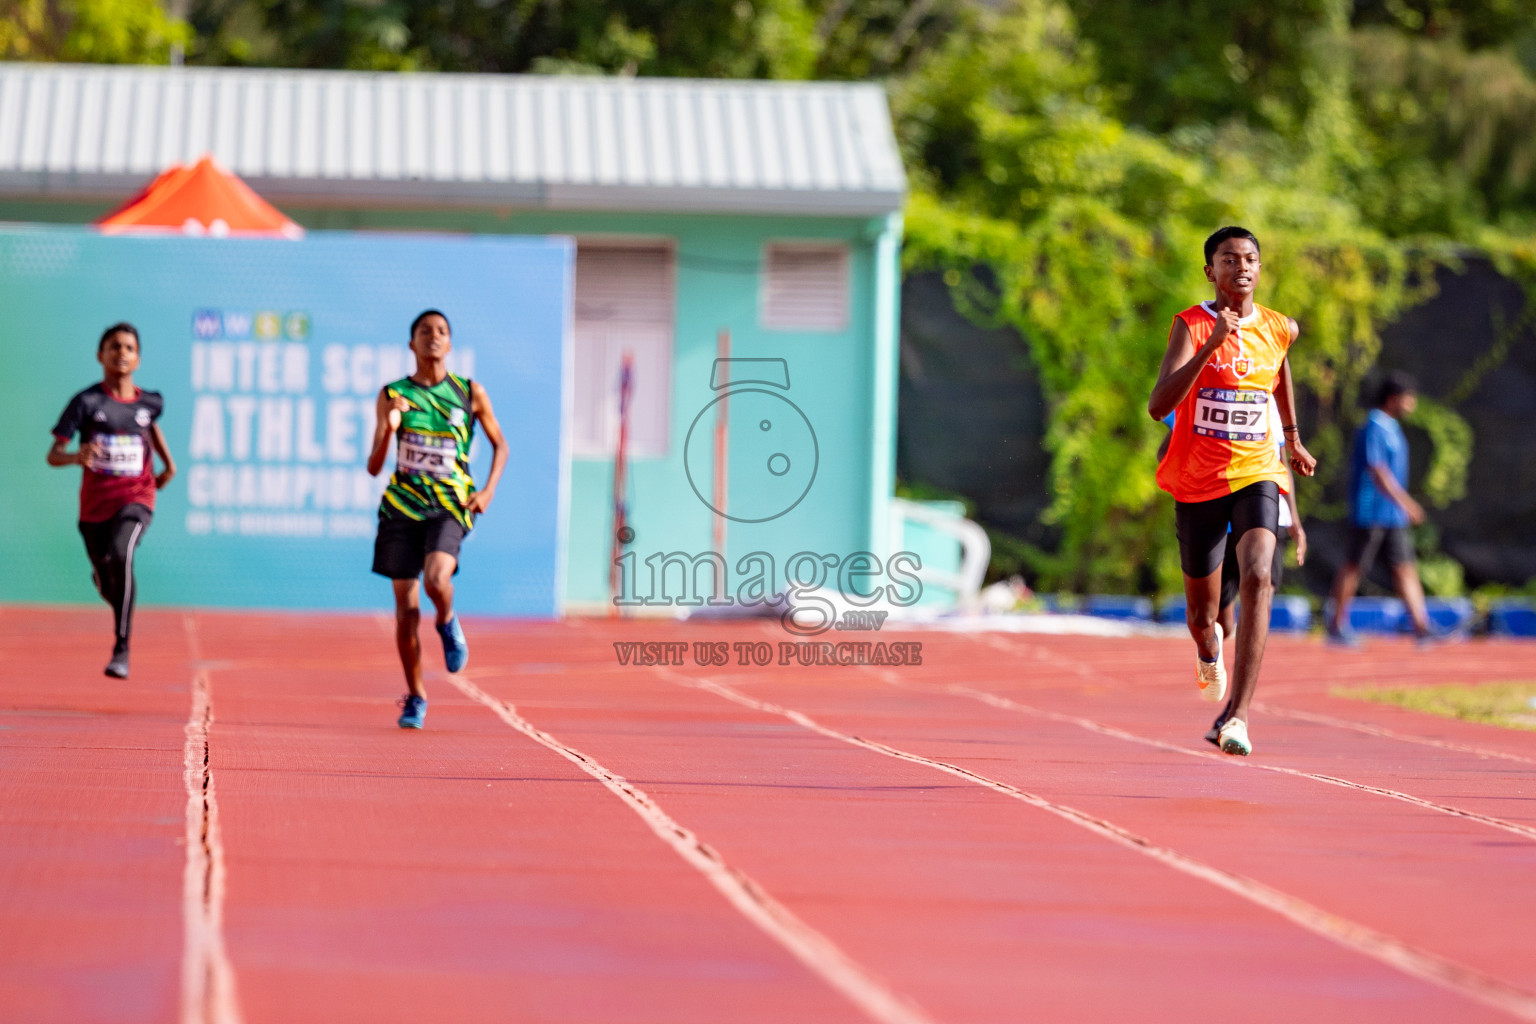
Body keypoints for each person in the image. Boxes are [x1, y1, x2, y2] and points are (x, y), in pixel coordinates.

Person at [1149, 226, 1317, 756]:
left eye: (1249, 259)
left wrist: (1292, 439)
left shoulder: (1278, 327)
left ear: (1259, 269)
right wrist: (1211, 348)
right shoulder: (1192, 325)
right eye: (1228, 260)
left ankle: (1239, 716)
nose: (1240, 268)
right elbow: (1158, 406)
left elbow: (1280, 372)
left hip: (1256, 471)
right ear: (1210, 271)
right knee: (1204, 619)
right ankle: (1208, 653)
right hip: (1198, 479)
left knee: (1260, 573)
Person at [367, 310, 508, 729]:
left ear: (449, 345)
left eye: (441, 332)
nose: (433, 337)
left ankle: (446, 620)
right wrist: (390, 428)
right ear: (411, 344)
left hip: (450, 506)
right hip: (402, 509)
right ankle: (415, 697)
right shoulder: (394, 394)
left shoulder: (469, 393)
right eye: (424, 331)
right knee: (406, 610)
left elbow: (501, 446)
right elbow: (374, 466)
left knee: (435, 580)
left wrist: (487, 491)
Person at [47, 323, 176, 678]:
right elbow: (53, 454)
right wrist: (75, 456)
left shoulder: (149, 402)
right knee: (109, 575)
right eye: (114, 346)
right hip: (94, 508)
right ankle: (107, 584)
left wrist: (169, 465)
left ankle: (121, 649)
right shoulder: (87, 402)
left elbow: (148, 425)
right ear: (100, 355)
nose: (122, 353)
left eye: (129, 348)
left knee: (124, 553)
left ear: (138, 358)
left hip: (136, 497)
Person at [1328, 371, 1433, 643]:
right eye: (1409, 399)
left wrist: (1400, 507)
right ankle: (1336, 626)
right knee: (1354, 567)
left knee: (1405, 566)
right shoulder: (1373, 425)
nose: (1412, 405)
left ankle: (1422, 628)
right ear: (1393, 398)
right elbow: (1378, 470)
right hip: (1370, 511)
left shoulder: (1393, 427)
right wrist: (1407, 503)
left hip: (1392, 516)